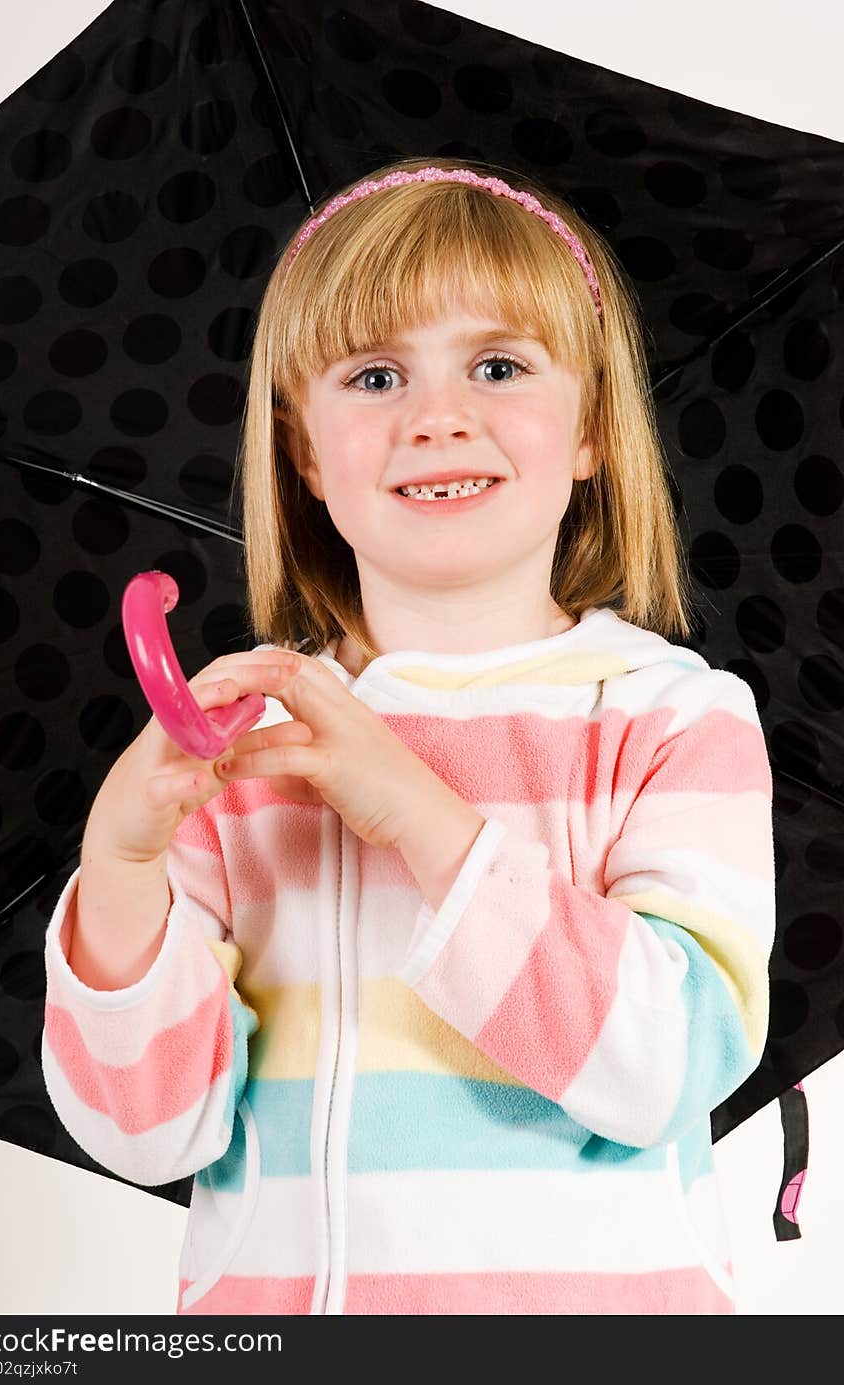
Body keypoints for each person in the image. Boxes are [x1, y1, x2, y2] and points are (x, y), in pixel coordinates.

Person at [41, 156, 776, 1316]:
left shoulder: (664, 717)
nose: (438, 416)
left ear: (589, 427)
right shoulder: (239, 749)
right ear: (301, 451)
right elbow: (149, 1131)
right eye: (376, 375)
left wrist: (423, 816)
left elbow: (665, 1064)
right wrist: (121, 868)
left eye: (497, 365)